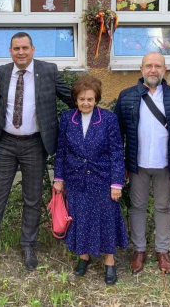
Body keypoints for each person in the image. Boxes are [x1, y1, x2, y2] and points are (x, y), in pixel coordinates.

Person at [0, 32, 76, 270]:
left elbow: (70, 98)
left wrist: (91, 115)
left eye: (25, 48)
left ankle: (28, 245)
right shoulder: (3, 72)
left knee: (32, 198)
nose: (21, 52)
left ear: (33, 49)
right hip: (5, 142)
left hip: (34, 144)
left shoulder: (48, 71)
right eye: (16, 48)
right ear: (10, 51)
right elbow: (1, 101)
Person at [114, 51, 170, 275]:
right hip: (136, 164)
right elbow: (116, 134)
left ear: (165, 70)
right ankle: (138, 250)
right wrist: (121, 165)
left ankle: (162, 251)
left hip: (166, 164)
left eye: (158, 66)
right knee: (137, 207)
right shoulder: (127, 96)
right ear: (141, 69)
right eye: (149, 65)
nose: (153, 70)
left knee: (163, 207)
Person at [53, 76, 128, 285]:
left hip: (102, 178)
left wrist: (116, 183)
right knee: (80, 217)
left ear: (96, 100)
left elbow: (116, 152)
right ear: (75, 99)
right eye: (81, 99)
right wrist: (58, 178)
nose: (85, 103)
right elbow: (61, 150)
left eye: (90, 99)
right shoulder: (67, 118)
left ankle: (109, 262)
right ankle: (83, 257)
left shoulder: (108, 119)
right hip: (75, 179)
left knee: (106, 219)